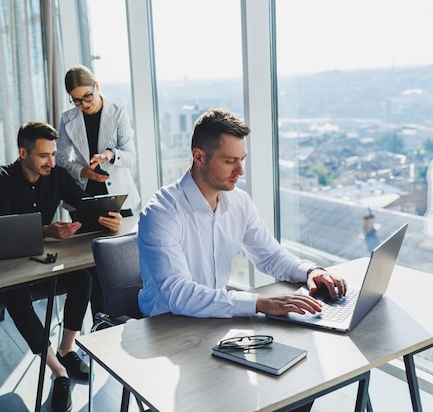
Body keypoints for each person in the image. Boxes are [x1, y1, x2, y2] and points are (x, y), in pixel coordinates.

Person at [137, 108, 347, 412]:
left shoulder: (238, 202)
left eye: (242, 160)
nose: (240, 171)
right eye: (229, 161)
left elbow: (270, 255)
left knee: (300, 380)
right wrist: (259, 303)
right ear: (199, 156)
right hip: (168, 329)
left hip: (217, 323)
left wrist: (310, 271)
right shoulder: (161, 212)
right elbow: (178, 295)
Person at [0, 121, 122, 412]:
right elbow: (2, 229)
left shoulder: (57, 175)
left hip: (44, 264)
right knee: (15, 296)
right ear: (23, 152)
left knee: (83, 279)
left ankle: (66, 350)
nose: (51, 161)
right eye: (43, 155)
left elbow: (87, 204)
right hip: (9, 267)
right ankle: (58, 371)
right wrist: (47, 230)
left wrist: (110, 218)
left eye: (53, 153)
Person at [57, 64, 140, 216]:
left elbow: (130, 157)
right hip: (83, 195)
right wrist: (82, 171)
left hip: (118, 196)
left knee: (124, 240)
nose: (84, 104)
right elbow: (59, 158)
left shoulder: (118, 113)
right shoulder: (67, 118)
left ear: (96, 86)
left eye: (87, 96)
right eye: (77, 100)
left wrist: (110, 154)